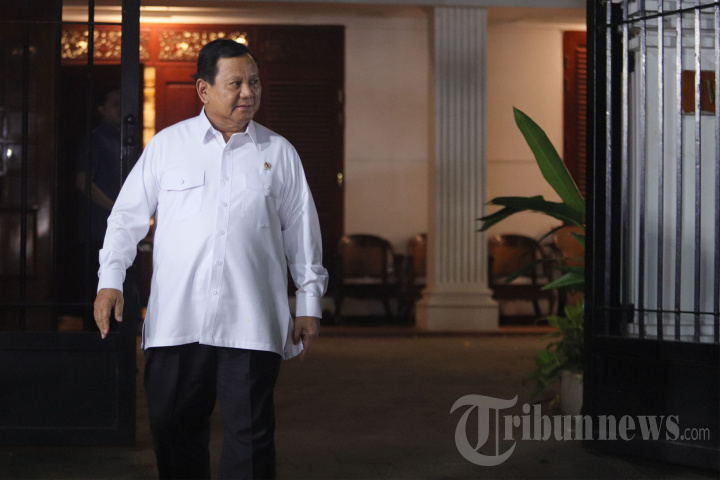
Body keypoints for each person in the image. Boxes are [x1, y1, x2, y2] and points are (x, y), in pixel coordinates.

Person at [93, 39, 328, 479]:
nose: (248, 93)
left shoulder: (279, 153)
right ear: (203, 89)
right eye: (236, 83)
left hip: (252, 320)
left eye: (254, 82)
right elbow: (126, 219)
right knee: (171, 428)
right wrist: (111, 281)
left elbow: (302, 231)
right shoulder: (168, 146)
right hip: (177, 321)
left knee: (251, 439)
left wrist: (309, 302)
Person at [76, 87, 139, 331]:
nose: (120, 109)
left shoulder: (126, 139)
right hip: (99, 227)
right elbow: (82, 181)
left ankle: (120, 340)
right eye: (114, 104)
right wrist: (116, 209)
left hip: (123, 229)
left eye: (122, 103)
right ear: (101, 109)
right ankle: (97, 342)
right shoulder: (96, 139)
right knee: (99, 286)